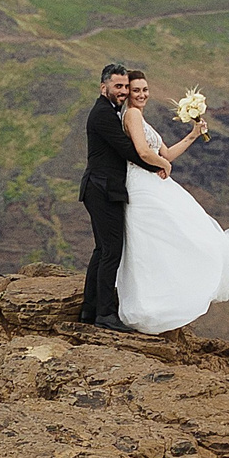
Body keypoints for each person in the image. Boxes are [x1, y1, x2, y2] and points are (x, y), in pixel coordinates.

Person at [115, 70, 229, 333]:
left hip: (152, 181)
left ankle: (158, 299)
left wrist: (193, 134)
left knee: (170, 236)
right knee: (159, 238)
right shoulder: (131, 115)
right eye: (136, 90)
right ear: (127, 93)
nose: (142, 94)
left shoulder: (141, 117)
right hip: (141, 184)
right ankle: (148, 304)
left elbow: (165, 153)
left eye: (145, 89)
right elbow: (144, 152)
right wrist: (163, 164)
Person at [79, 60, 159, 329]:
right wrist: (157, 166)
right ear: (104, 88)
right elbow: (125, 148)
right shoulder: (102, 113)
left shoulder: (111, 110)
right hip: (102, 189)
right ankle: (105, 314)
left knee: (102, 250)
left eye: (126, 86)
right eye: (118, 86)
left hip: (102, 188)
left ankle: (89, 310)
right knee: (111, 251)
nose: (123, 90)